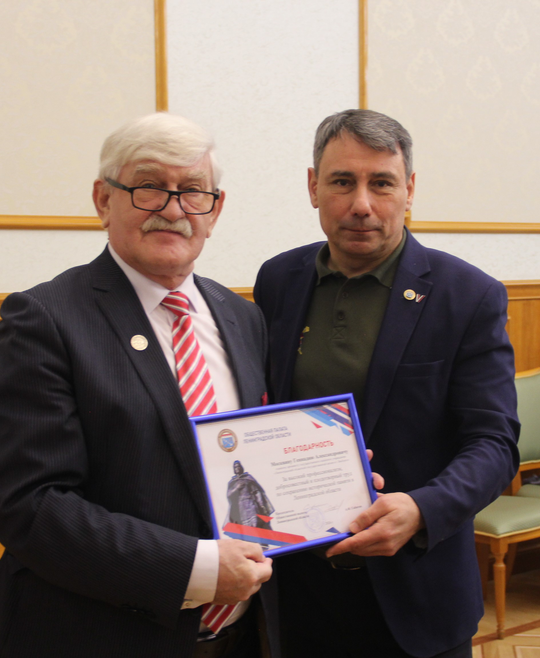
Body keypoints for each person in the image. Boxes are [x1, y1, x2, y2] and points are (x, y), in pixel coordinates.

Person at [0, 113, 278, 658]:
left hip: (239, 639)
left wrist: (327, 482)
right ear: (103, 200)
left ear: (215, 209)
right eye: (149, 186)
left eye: (193, 191)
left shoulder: (242, 317)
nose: (173, 210)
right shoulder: (44, 320)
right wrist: (197, 570)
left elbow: (244, 460)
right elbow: (31, 507)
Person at [254, 109, 519, 658]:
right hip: (296, 589)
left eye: (381, 183)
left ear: (409, 189)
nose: (361, 204)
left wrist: (422, 509)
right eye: (342, 182)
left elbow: (494, 444)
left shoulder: (468, 295)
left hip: (415, 593)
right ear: (313, 186)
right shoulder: (278, 280)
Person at [226, 460, 274, 530]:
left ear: (241, 467)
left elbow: (256, 491)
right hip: (241, 508)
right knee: (246, 527)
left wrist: (262, 505)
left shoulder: (248, 478)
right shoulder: (232, 482)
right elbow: (229, 494)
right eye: (235, 467)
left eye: (238, 466)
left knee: (255, 521)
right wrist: (237, 487)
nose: (237, 468)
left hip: (251, 503)